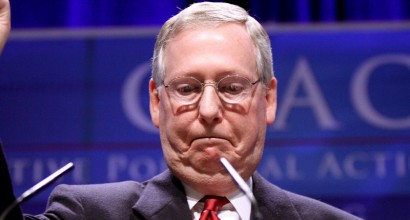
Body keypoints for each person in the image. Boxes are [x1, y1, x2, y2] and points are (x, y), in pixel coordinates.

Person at [3, 2, 361, 220]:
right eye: (187, 89)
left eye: (232, 88)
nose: (208, 110)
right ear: (157, 103)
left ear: (267, 100)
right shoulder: (88, 213)